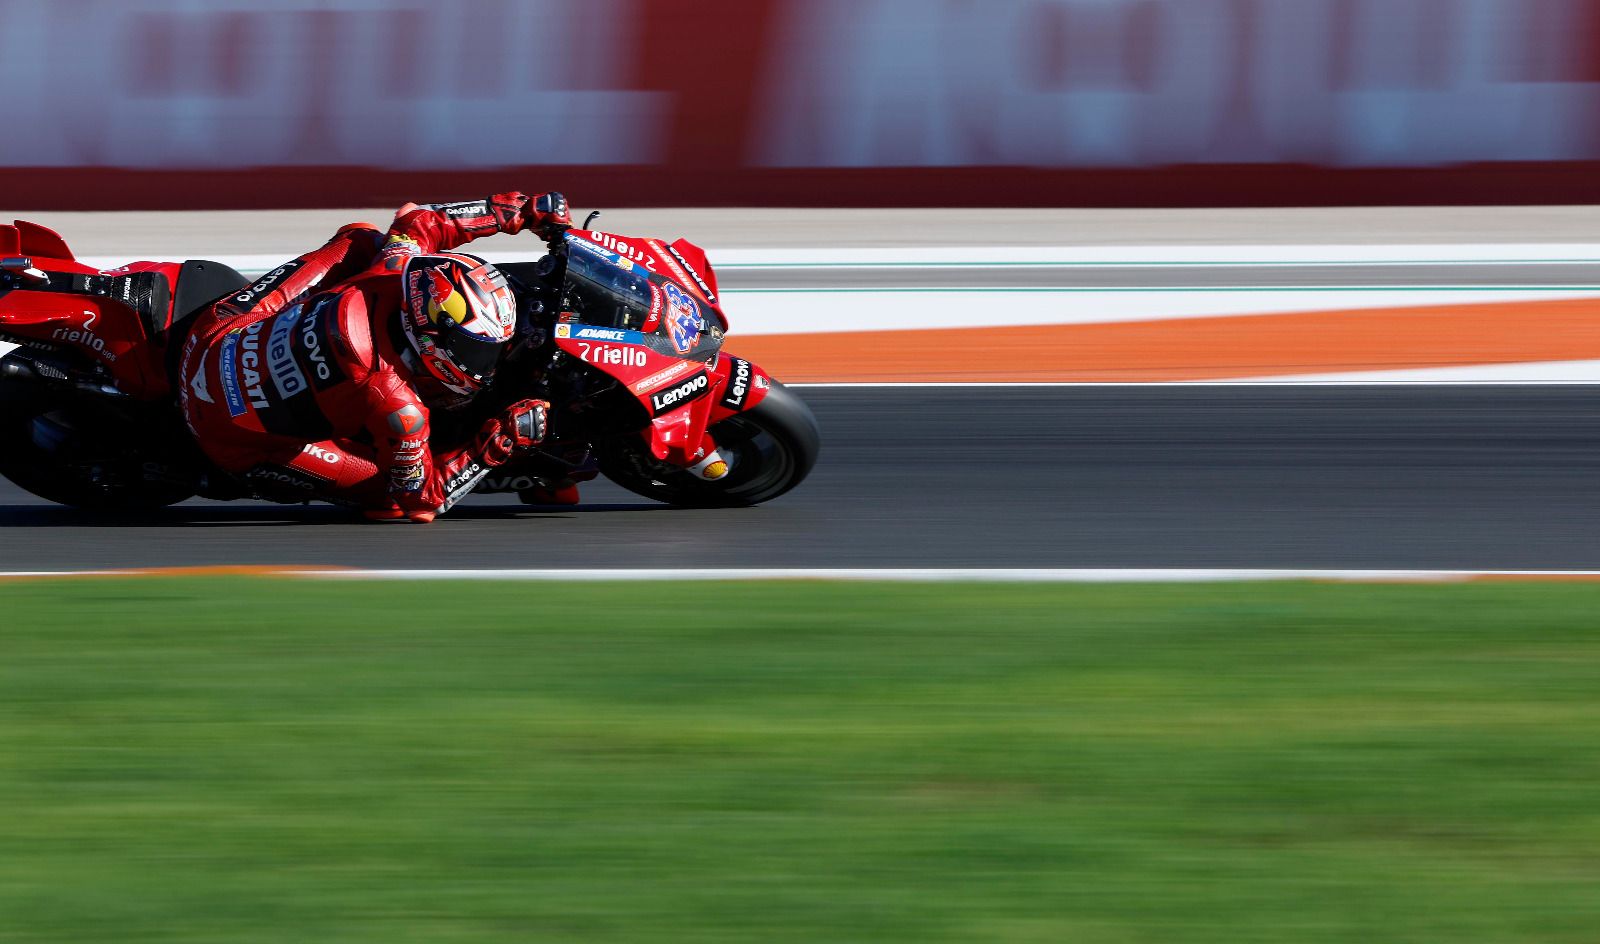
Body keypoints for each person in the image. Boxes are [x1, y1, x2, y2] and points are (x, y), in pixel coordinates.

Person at [176, 191, 573, 523]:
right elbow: (424, 501)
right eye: (477, 349)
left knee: (362, 240)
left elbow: (421, 221)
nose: (489, 359)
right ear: (430, 337)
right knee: (391, 500)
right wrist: (500, 438)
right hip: (222, 431)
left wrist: (522, 211)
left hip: (217, 332)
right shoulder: (399, 405)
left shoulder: (394, 267)